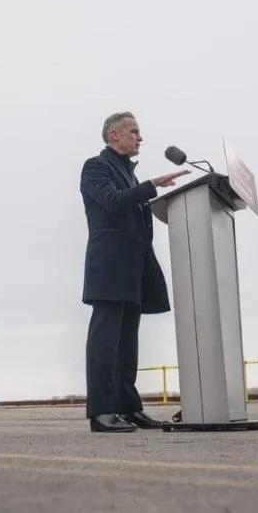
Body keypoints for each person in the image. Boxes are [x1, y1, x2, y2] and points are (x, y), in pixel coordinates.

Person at [80, 111, 187, 433]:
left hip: (134, 268)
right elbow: (113, 201)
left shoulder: (129, 174)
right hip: (110, 267)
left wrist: (153, 192)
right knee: (105, 341)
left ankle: (128, 407)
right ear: (114, 134)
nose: (140, 137)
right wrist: (152, 185)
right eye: (134, 131)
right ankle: (101, 412)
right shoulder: (95, 167)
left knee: (127, 343)